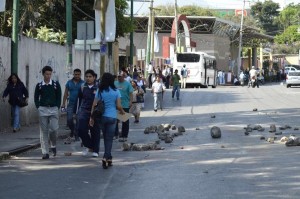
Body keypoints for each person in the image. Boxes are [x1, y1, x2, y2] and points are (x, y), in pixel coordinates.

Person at [90, 73, 125, 169]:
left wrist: (91, 117)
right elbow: (118, 106)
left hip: (102, 117)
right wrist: (122, 112)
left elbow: (94, 104)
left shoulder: (100, 91)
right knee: (109, 139)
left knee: (105, 138)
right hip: (112, 117)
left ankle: (109, 158)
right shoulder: (116, 91)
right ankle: (106, 157)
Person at [34, 66, 62, 159]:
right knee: (43, 131)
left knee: (53, 129)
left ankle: (53, 145)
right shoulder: (39, 85)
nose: (48, 76)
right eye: (47, 74)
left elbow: (59, 96)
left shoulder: (55, 84)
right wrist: (38, 106)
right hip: (43, 109)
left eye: (50, 74)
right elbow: (36, 96)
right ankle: (45, 152)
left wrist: (57, 106)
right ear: (43, 74)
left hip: (53, 109)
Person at [77, 69, 100, 157]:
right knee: (81, 129)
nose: (88, 78)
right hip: (84, 111)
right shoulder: (83, 87)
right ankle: (89, 145)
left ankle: (96, 150)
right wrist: (77, 111)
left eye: (90, 76)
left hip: (95, 112)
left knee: (95, 131)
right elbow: (79, 99)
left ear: (94, 78)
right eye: (86, 76)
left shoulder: (98, 88)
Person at [61, 69, 84, 142]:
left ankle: (76, 135)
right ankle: (73, 131)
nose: (77, 76)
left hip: (80, 105)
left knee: (78, 120)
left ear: (80, 75)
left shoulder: (83, 83)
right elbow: (65, 94)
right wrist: (63, 103)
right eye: (75, 74)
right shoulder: (69, 83)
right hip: (70, 104)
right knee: (69, 120)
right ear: (73, 74)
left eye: (78, 74)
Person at [114, 71, 133, 142]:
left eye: (120, 76)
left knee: (125, 120)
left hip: (125, 104)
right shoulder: (115, 83)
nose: (119, 78)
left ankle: (124, 135)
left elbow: (131, 93)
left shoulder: (127, 84)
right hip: (116, 104)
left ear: (123, 76)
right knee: (115, 120)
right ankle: (115, 134)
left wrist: (131, 101)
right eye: (118, 76)